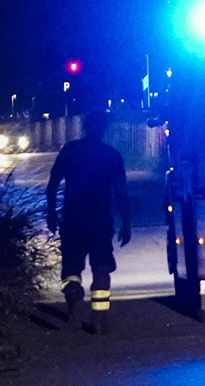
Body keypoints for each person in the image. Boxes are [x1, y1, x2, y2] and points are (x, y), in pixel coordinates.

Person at [46, 110, 130, 333]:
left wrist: (51, 214)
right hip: (100, 222)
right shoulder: (111, 155)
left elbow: (53, 183)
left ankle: (73, 313)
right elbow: (121, 192)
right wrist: (126, 222)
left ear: (85, 126)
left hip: (73, 220)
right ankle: (98, 321)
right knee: (101, 268)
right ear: (104, 128)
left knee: (71, 269)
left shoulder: (70, 150)